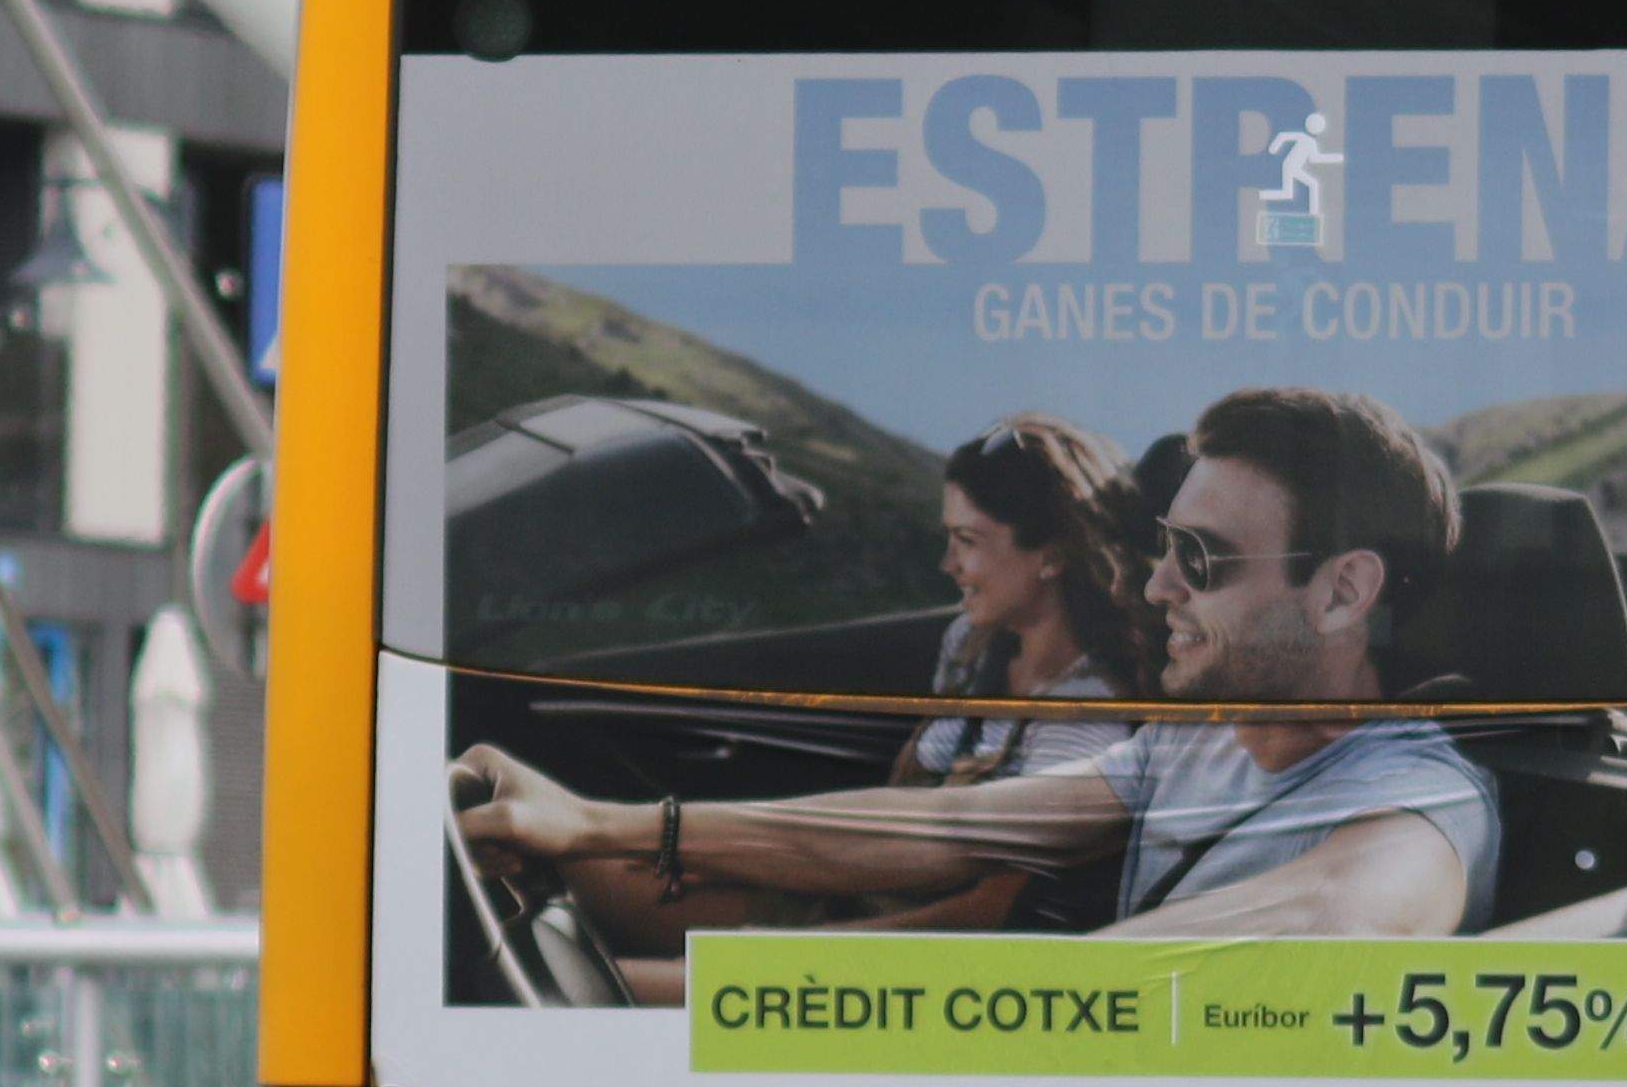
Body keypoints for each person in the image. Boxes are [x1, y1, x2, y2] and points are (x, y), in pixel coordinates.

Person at [453, 384, 1496, 944]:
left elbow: (1339, 922)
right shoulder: (1198, 752)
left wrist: (771, 997)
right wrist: (593, 822)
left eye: (1203, 560)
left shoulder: (1417, 802)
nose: (1157, 589)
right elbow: (951, 825)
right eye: (1162, 550)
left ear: (1346, 591)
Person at [899, 414, 1160, 786]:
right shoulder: (969, 643)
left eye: (968, 540)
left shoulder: (1086, 714)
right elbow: (907, 777)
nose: (947, 564)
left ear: (1051, 557)